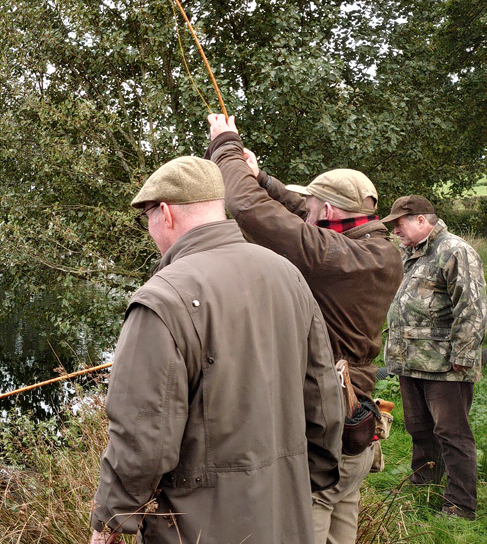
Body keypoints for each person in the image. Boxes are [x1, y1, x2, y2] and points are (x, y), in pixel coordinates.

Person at [89, 156, 344, 544]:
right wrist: (310, 477)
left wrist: (111, 519)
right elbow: (324, 402)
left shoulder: (161, 299)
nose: (150, 231)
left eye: (148, 219)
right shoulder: (287, 274)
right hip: (284, 515)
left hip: (196, 526)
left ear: (165, 213)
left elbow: (141, 438)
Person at [205, 115, 402, 544]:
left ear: (329, 212)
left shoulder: (336, 258)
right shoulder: (379, 249)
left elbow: (248, 210)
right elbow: (298, 212)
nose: (305, 211)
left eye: (313, 206)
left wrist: (224, 144)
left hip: (329, 421)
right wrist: (260, 176)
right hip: (356, 419)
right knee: (342, 515)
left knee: (309, 515)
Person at [383, 195, 486, 520]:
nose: (395, 231)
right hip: (410, 360)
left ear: (421, 221)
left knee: (452, 434)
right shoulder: (410, 254)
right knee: (419, 429)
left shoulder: (454, 250)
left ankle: (461, 504)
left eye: (399, 224)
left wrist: (464, 356)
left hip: (445, 365)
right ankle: (423, 484)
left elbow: (472, 306)